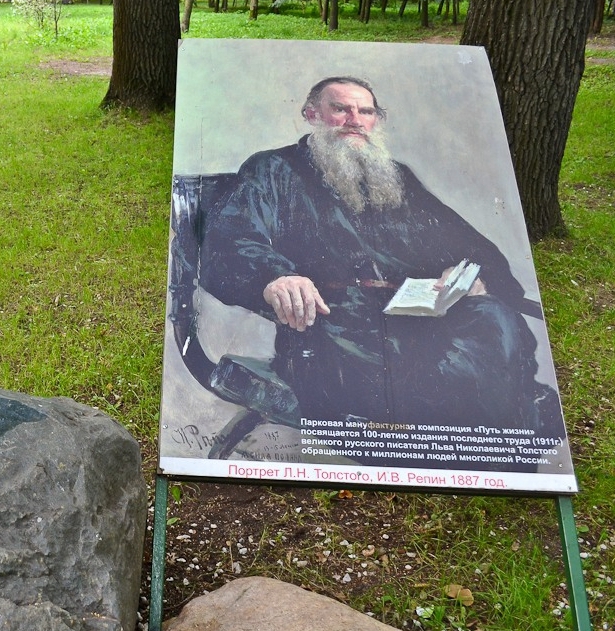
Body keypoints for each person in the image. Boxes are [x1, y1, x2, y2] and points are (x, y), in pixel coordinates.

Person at [198, 76, 562, 438]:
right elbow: (231, 237)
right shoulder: (274, 169)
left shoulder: (394, 175)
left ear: (375, 120)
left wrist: (464, 271)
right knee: (457, 377)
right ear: (312, 114)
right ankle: (468, 449)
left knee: (493, 318)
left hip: (413, 316)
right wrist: (276, 277)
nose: (354, 119)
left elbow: (465, 243)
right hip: (332, 326)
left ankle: (488, 452)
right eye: (340, 108)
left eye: (366, 111)